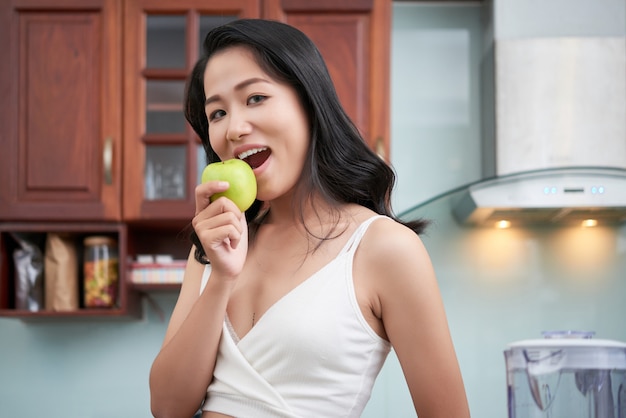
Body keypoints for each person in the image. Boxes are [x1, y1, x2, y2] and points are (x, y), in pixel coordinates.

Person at [149, 18, 470, 418]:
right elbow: (166, 407)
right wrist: (221, 278)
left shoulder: (383, 248)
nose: (233, 128)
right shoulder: (215, 246)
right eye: (216, 113)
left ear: (309, 102)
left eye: (254, 98)